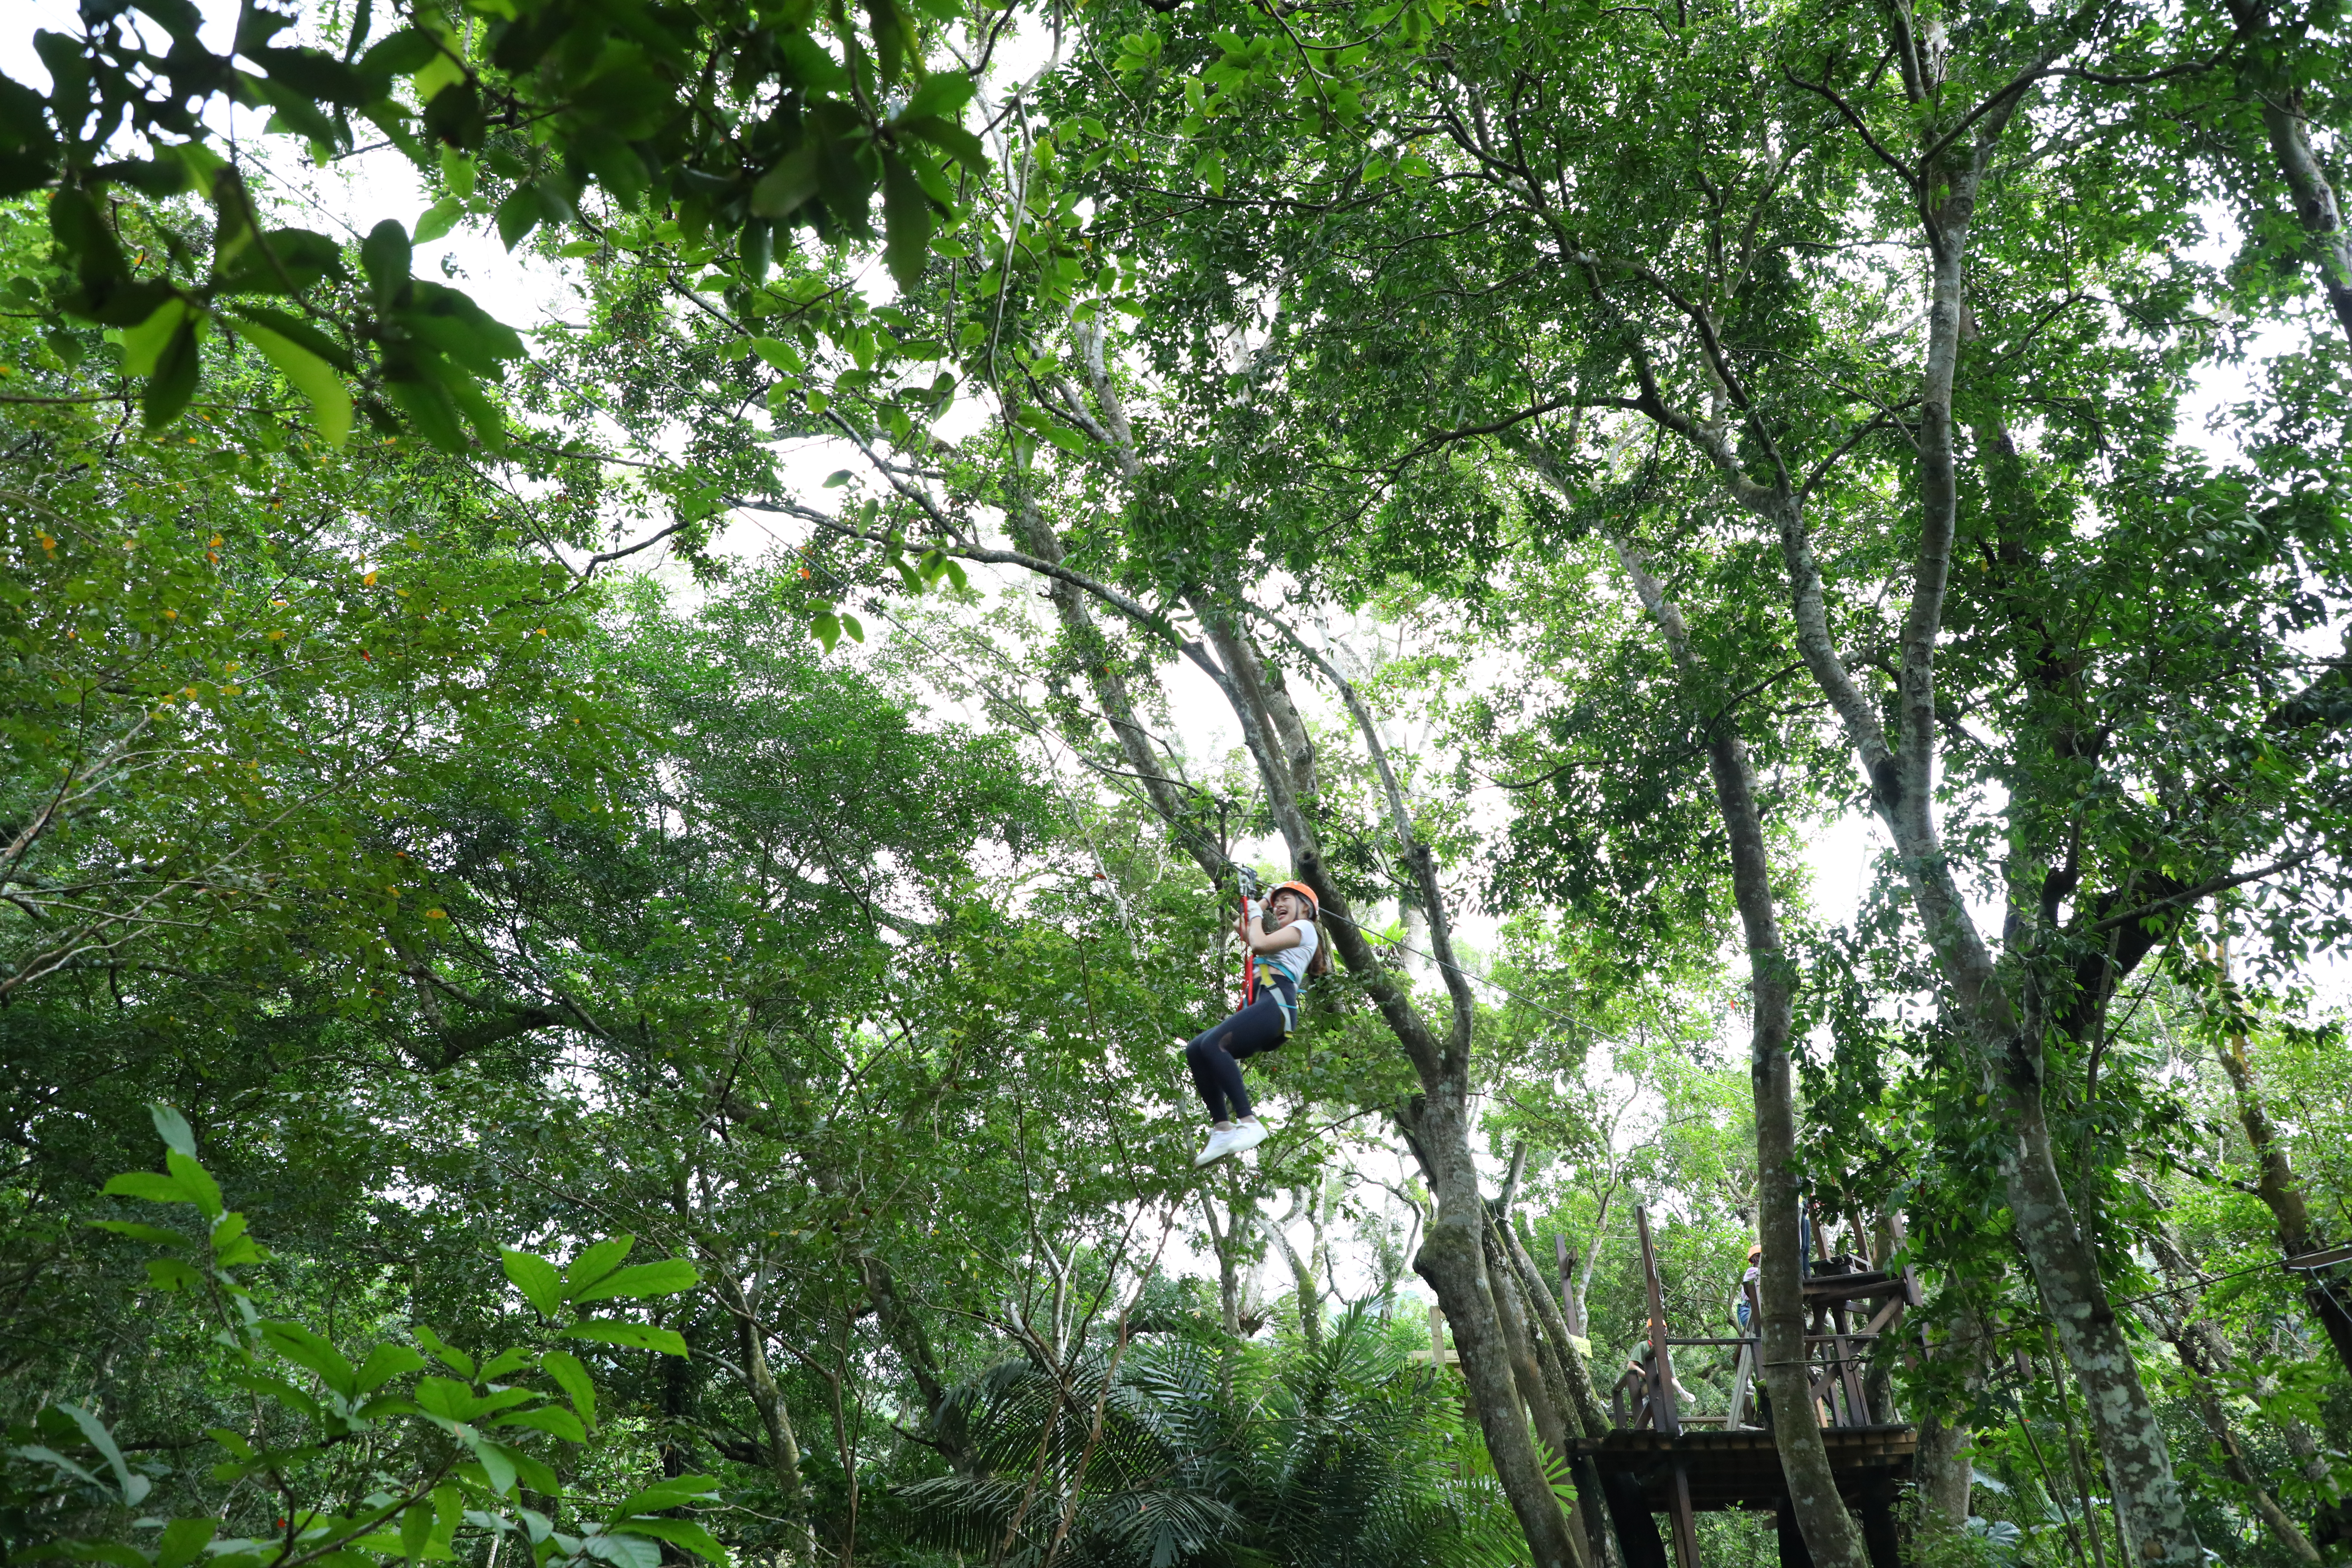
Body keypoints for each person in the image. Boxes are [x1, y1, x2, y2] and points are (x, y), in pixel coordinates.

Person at [1182, 878, 1327, 1167]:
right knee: (1196, 1049)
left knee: (1214, 1044)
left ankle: (1249, 1121)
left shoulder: (1306, 928)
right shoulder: (1286, 935)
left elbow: (1258, 942)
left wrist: (1259, 908)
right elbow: (1242, 928)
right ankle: (1222, 1129)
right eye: (1278, 901)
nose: (1279, 905)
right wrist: (1261, 900)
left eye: (1287, 899)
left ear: (1306, 908)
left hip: (1277, 1004)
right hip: (1265, 1004)